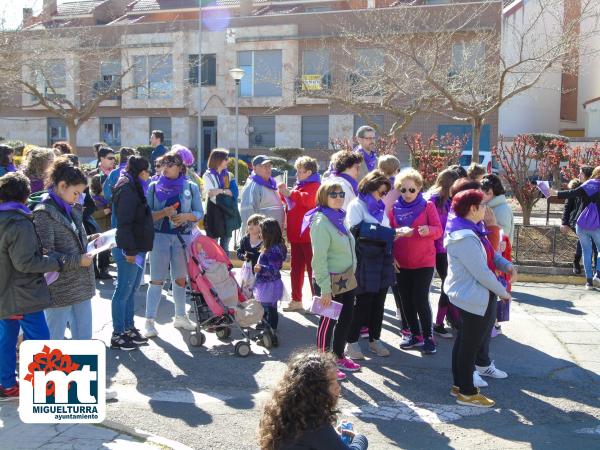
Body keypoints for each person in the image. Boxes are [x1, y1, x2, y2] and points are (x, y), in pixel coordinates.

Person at [444, 189, 515, 408]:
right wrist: (503, 293)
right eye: (483, 205)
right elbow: (482, 273)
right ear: (473, 209)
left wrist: (506, 265)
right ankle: (467, 392)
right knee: (469, 346)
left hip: (473, 296)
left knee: (465, 342)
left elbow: (489, 253)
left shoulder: (472, 229)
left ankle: (459, 385)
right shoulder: (464, 237)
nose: (486, 209)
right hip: (473, 297)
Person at [0, 172, 63, 400]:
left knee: (6, 340)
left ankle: (7, 385)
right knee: (39, 341)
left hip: (5, 291)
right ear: (26, 196)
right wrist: (56, 261)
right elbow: (25, 263)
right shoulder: (19, 223)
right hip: (22, 293)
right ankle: (43, 388)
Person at [32, 156, 95, 340]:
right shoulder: (44, 213)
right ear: (62, 186)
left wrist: (91, 240)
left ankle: (82, 369)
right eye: (76, 193)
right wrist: (78, 260)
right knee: (54, 343)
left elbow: (73, 239)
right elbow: (46, 255)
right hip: (59, 290)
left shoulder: (69, 207)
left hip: (81, 286)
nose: (78, 198)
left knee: (84, 342)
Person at [144, 151, 203, 338]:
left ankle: (180, 316)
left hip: (182, 238)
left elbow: (199, 213)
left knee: (180, 279)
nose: (166, 168)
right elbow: (146, 216)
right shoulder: (153, 187)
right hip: (159, 237)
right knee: (156, 280)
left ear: (180, 167)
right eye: (163, 164)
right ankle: (149, 322)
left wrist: (185, 216)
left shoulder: (191, 187)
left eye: (170, 164)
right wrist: (163, 213)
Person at [258, 351, 369, 450]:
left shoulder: (286, 410)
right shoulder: (314, 424)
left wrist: (333, 434)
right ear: (316, 389)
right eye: (332, 382)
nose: (338, 387)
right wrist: (360, 438)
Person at [306, 181, 360, 381]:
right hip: (328, 280)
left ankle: (337, 356)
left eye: (340, 194)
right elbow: (318, 259)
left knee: (346, 318)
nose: (338, 197)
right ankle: (324, 363)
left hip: (346, 278)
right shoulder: (321, 221)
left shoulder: (339, 217)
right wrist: (325, 290)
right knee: (327, 323)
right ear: (323, 197)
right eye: (333, 194)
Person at [389, 169, 442, 355]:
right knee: (405, 301)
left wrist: (425, 230)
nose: (407, 194)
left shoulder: (428, 206)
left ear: (419, 188)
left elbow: (439, 231)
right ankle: (414, 335)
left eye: (412, 190)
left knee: (420, 299)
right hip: (401, 262)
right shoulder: (394, 208)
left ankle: (428, 336)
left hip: (424, 261)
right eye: (403, 190)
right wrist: (391, 255)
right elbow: (388, 234)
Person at [344, 171, 395, 360]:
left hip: (382, 259)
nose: (382, 196)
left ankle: (375, 339)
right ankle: (352, 342)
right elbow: (355, 232)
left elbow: (385, 231)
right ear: (370, 187)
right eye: (380, 192)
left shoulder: (380, 207)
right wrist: (385, 233)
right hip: (365, 260)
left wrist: (390, 234)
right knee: (363, 303)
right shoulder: (357, 205)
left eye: (384, 193)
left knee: (379, 303)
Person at [110, 156, 154, 350]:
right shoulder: (126, 187)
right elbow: (124, 223)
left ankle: (128, 328)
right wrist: (129, 249)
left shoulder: (133, 184)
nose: (150, 174)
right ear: (140, 171)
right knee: (123, 291)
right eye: (147, 170)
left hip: (136, 246)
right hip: (128, 248)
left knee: (131, 290)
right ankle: (118, 334)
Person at [278, 156, 321, 312]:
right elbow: (292, 202)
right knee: (295, 269)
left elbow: (309, 202)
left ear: (309, 172)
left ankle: (317, 302)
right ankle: (297, 300)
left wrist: (290, 193)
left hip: (308, 236)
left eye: (300, 171)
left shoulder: (316, 185)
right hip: (296, 235)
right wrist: (283, 193)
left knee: (313, 270)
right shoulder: (301, 184)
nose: (296, 174)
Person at [551, 167, 600, 289]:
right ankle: (598, 274)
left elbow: (572, 193)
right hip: (597, 226)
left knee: (586, 251)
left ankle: (589, 282)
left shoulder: (589, 184)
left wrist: (556, 193)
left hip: (582, 225)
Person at [427, 169, 460, 338]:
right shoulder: (434, 200)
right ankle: (438, 324)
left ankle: (451, 320)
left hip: (446, 248)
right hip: (437, 249)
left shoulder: (448, 200)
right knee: (447, 285)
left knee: (449, 285)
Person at [253, 218, 287, 340]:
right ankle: (269, 329)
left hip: (269, 285)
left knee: (269, 308)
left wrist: (260, 269)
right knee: (270, 308)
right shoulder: (276, 246)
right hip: (270, 284)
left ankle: (270, 332)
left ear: (268, 233)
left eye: (261, 232)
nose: (260, 234)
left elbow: (273, 269)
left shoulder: (273, 250)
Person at [560, 166, 596, 275]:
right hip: (578, 221)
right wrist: (564, 222)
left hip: (593, 221)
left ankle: (591, 268)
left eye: (581, 173)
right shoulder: (577, 187)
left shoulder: (594, 187)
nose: (579, 175)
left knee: (591, 243)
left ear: (588, 176)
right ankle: (578, 262)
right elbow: (568, 206)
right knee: (587, 241)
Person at [203, 148, 240, 251]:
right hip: (213, 212)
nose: (228, 161)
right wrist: (223, 191)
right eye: (226, 158)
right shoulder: (208, 175)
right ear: (218, 160)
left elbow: (231, 193)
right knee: (213, 245)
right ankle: (214, 267)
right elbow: (210, 193)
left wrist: (220, 191)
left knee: (225, 246)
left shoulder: (227, 174)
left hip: (226, 212)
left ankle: (225, 267)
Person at [240, 155, 285, 237]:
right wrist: (254, 236)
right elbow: (248, 213)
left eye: (269, 166)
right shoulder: (253, 185)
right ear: (254, 168)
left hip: (273, 236)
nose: (267, 169)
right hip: (261, 237)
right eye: (263, 166)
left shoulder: (272, 184)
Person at [90, 175, 113, 280]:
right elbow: (91, 214)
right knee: (94, 251)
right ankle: (94, 272)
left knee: (105, 252)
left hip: (107, 228)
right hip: (96, 229)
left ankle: (104, 270)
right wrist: (104, 211)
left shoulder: (107, 198)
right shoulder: (92, 198)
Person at [481, 174, 514, 242]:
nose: (482, 196)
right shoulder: (489, 206)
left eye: (487, 193)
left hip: (498, 250)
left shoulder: (503, 210)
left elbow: (503, 237)